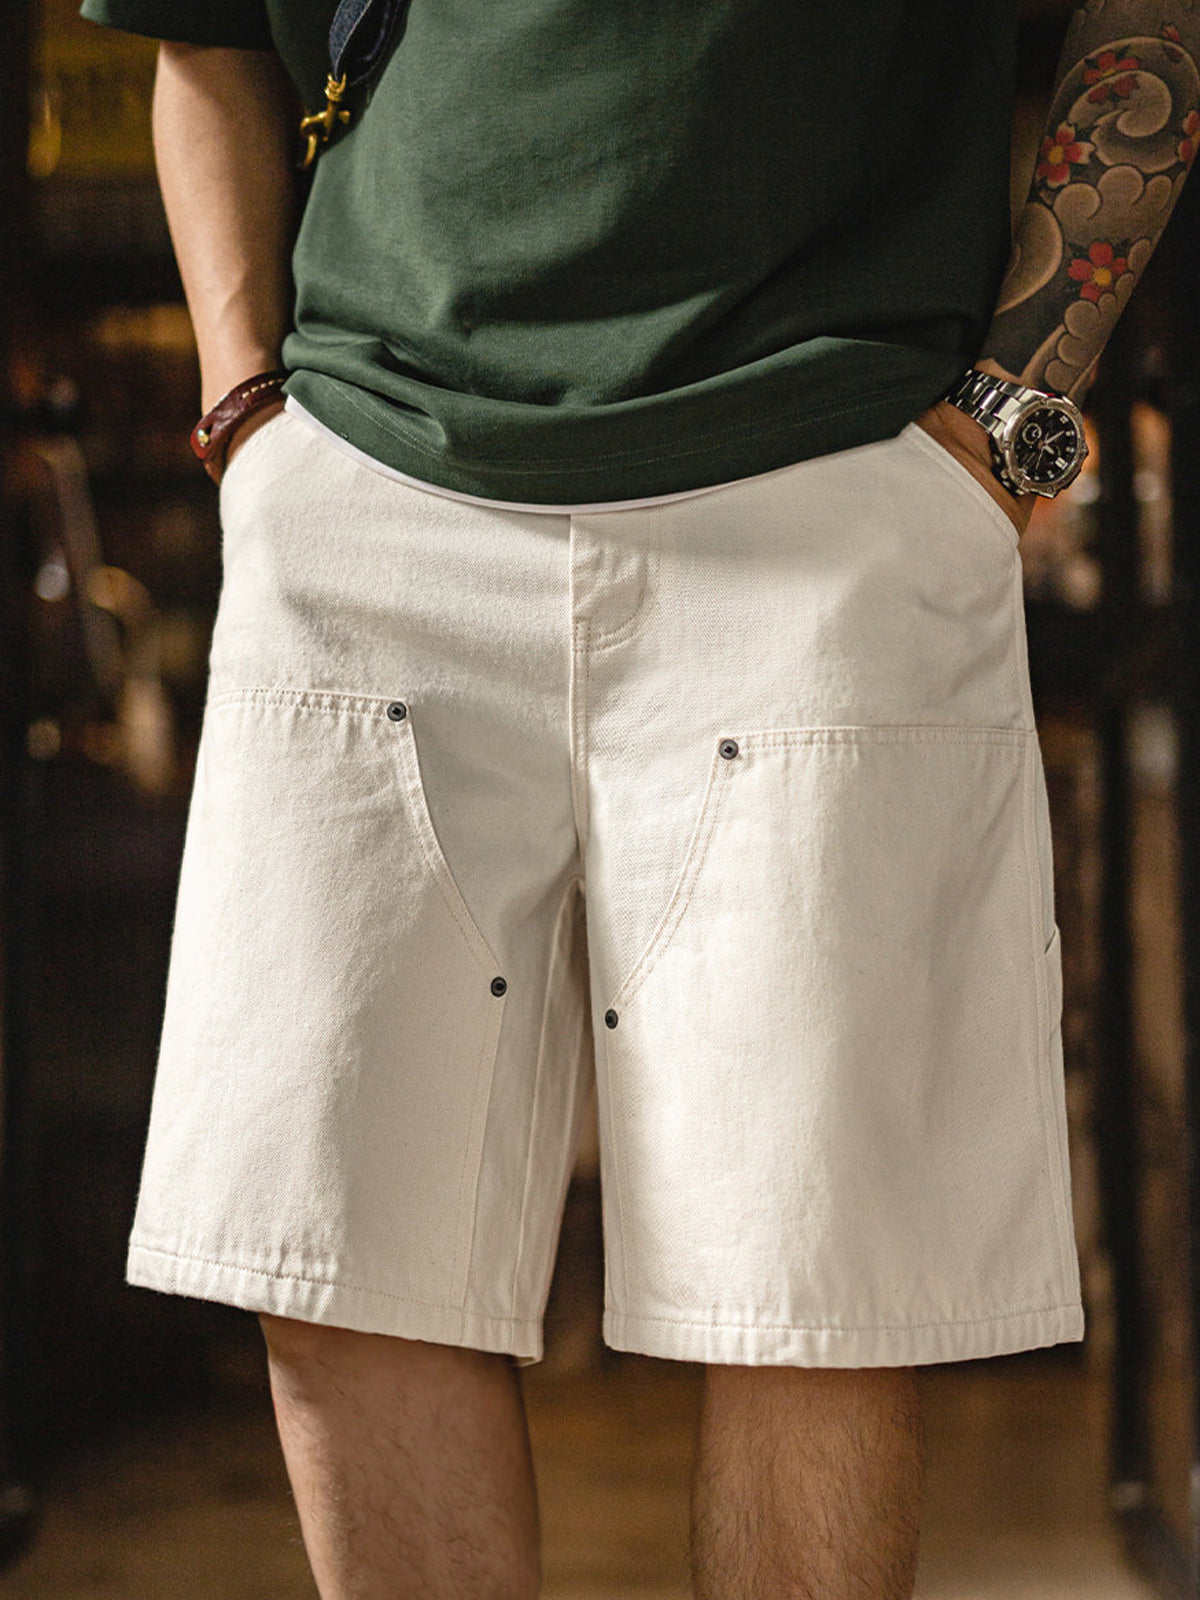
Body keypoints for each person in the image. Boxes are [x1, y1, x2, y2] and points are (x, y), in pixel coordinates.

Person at [74, 0, 1198, 1594]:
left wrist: (1000, 434)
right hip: (367, 483)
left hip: (829, 486)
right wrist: (248, 420)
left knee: (815, 1285)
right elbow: (199, 36)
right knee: (340, 1257)